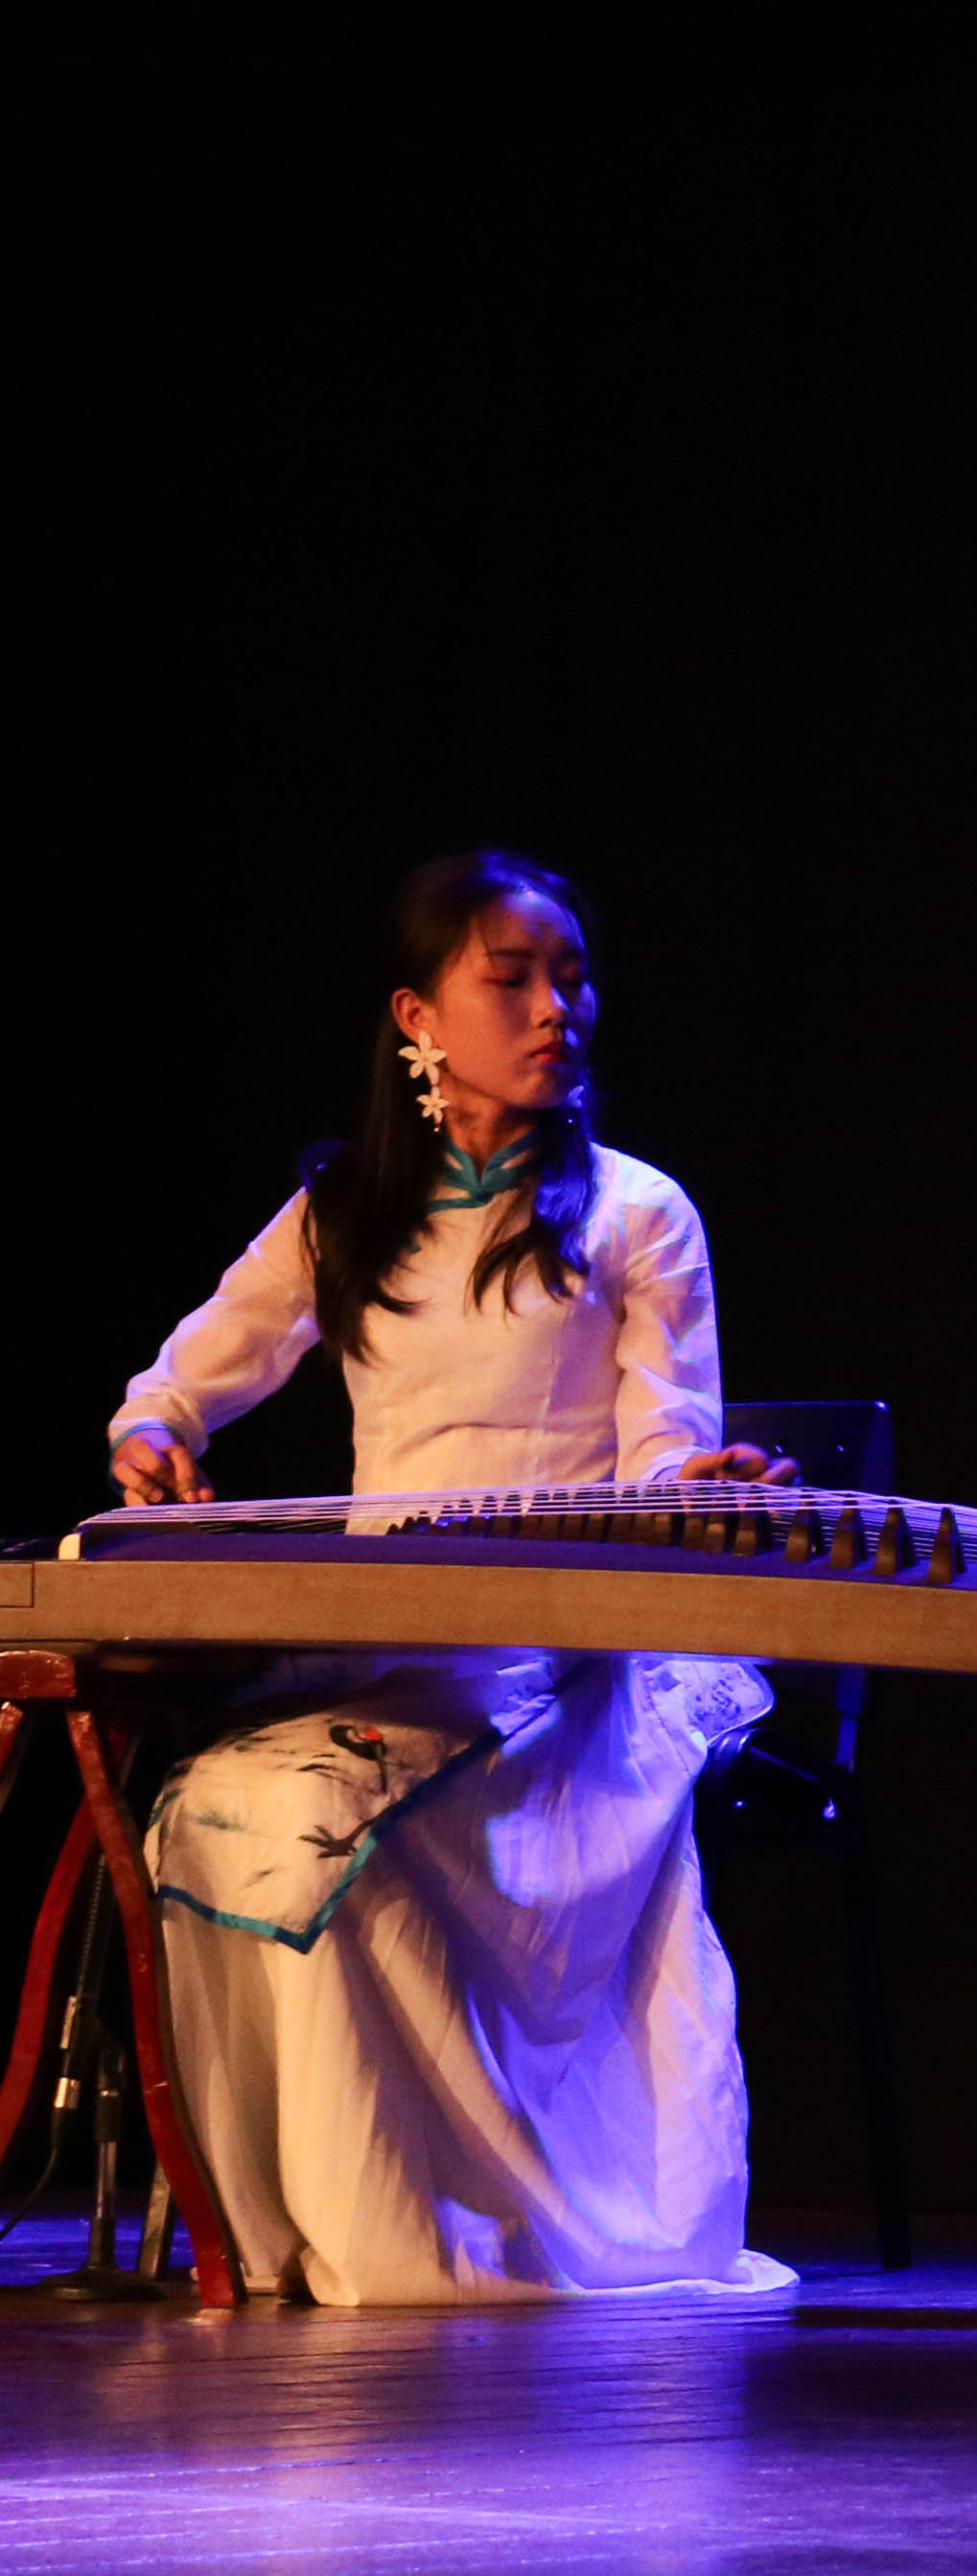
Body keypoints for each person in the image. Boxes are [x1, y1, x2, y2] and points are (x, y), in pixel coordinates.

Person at [102, 851, 801, 2305]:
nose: (559, 1008)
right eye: (513, 979)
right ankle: (302, 2212)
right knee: (222, 1803)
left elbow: (664, 1451)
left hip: (560, 1672)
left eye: (573, 978)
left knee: (312, 1810)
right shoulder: (344, 1213)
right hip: (386, 1645)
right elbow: (186, 1377)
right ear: (418, 1017)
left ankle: (432, 2221)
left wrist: (697, 1488)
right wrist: (154, 1435)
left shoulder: (637, 1214)